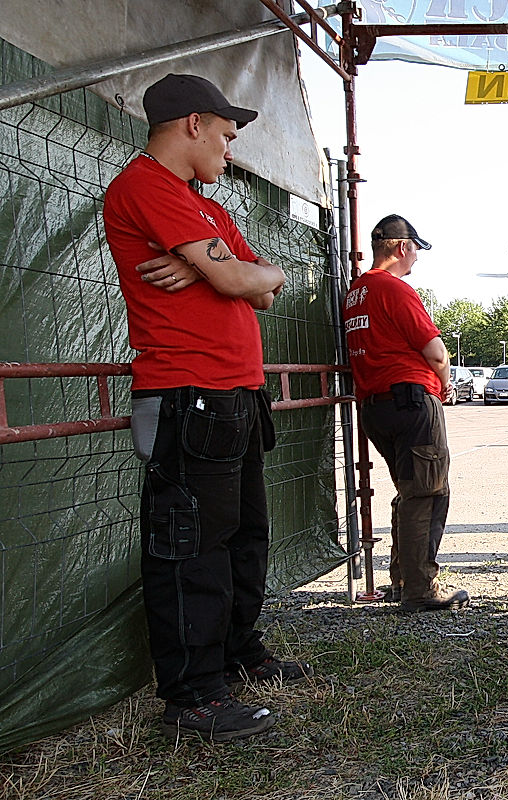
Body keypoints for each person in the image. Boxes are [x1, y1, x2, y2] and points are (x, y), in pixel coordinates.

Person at [104, 74, 310, 742]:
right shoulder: (147, 186)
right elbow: (240, 276)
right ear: (193, 124)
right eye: (224, 133)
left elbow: (267, 285)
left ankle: (235, 652)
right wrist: (223, 272)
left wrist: (207, 269)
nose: (229, 146)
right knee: (191, 545)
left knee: (242, 534)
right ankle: (192, 697)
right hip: (186, 392)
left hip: (232, 392)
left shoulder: (205, 208)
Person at [344, 215, 469, 614]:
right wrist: (444, 384)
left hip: (376, 405)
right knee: (428, 493)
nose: (416, 257)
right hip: (412, 402)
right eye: (415, 249)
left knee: (410, 491)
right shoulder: (394, 288)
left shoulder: (356, 292)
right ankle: (420, 588)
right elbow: (436, 351)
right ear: (401, 247)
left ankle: (403, 580)